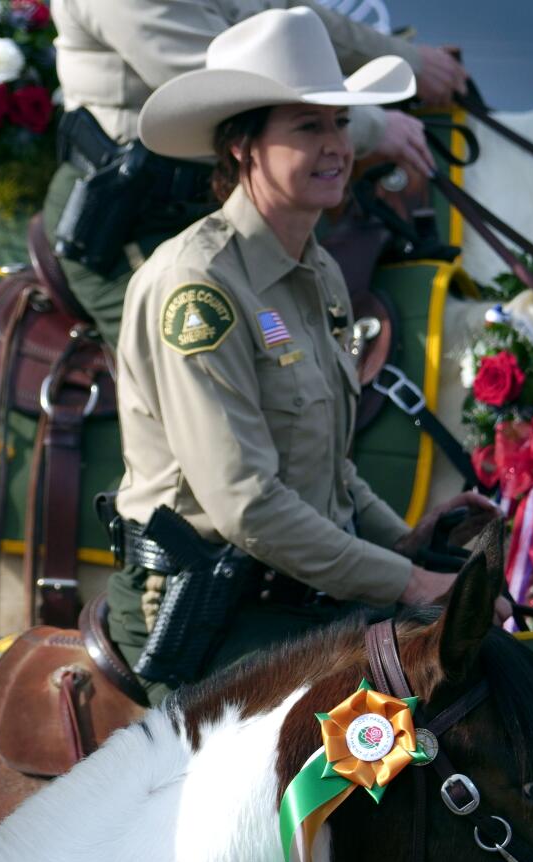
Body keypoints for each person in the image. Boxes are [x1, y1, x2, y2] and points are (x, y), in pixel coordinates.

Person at [107, 9, 496, 702]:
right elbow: (248, 507)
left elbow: (329, 472)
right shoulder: (198, 288)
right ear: (241, 147)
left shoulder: (314, 269)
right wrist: (409, 583)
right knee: (375, 756)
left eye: (342, 124)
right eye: (307, 127)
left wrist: (406, 540)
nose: (336, 147)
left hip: (290, 595)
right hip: (202, 614)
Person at [46, 0, 470, 341]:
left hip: (235, 195)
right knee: (197, 365)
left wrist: (406, 61)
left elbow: (291, 20)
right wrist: (370, 126)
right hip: (131, 221)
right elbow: (226, 88)